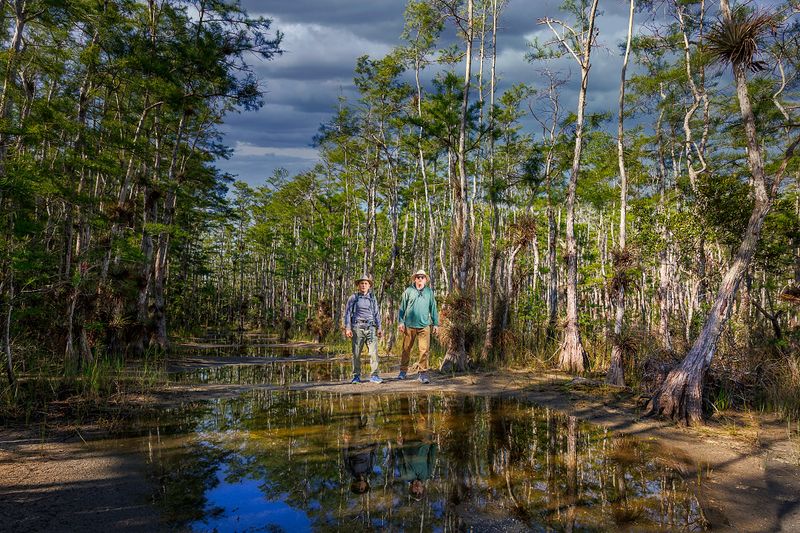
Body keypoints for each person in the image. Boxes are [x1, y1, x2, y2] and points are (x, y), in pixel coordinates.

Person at [397, 270, 439, 384]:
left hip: (424, 326)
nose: (420, 279)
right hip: (409, 326)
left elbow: (433, 309)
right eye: (418, 277)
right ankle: (403, 371)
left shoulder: (429, 292)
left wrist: (436, 324)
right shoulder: (408, 291)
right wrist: (401, 322)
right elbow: (402, 308)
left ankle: (423, 373)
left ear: (425, 280)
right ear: (415, 279)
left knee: (424, 350)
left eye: (422, 277)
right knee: (406, 349)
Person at [344, 274, 383, 384]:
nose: (364, 285)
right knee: (356, 353)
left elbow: (376, 314)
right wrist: (348, 328)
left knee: (374, 352)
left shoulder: (372, 298)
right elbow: (347, 314)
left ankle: (375, 375)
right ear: (358, 285)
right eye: (362, 283)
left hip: (371, 328)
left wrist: (379, 328)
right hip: (357, 328)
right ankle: (356, 376)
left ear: (369, 285)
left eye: (366, 283)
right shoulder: (353, 298)